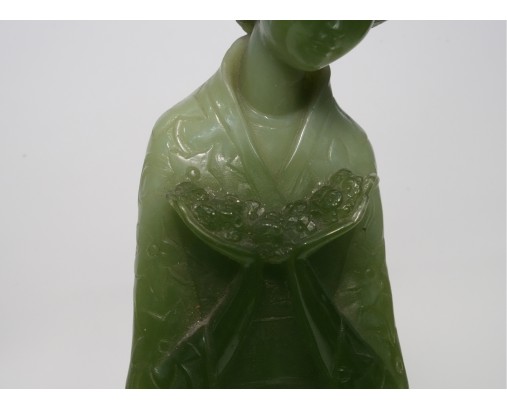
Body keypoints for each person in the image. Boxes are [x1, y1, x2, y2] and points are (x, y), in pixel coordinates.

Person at [126, 21, 408, 388]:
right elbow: (159, 319)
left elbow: (367, 305)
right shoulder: (180, 140)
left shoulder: (349, 149)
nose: (335, 21)